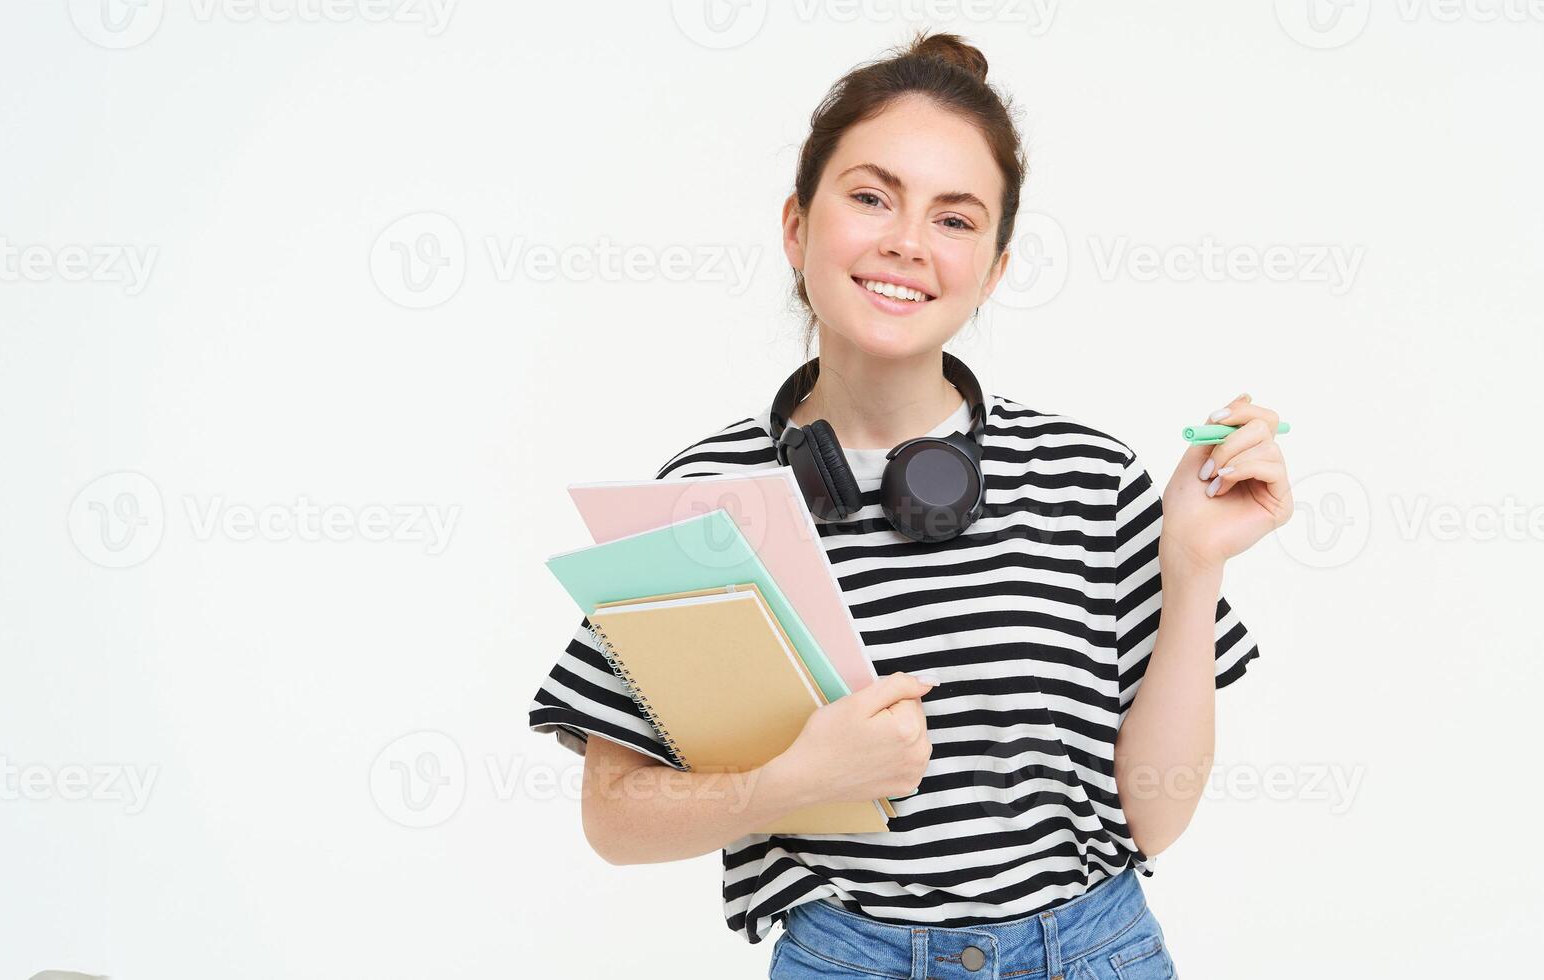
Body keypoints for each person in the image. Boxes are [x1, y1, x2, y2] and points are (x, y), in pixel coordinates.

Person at [527, 33, 1294, 978]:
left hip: (1093, 952)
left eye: (956, 219)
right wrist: (792, 783)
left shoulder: (1087, 475)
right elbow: (614, 815)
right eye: (871, 197)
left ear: (996, 270)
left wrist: (1193, 564)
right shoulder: (705, 501)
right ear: (797, 225)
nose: (907, 243)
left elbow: (1156, 818)